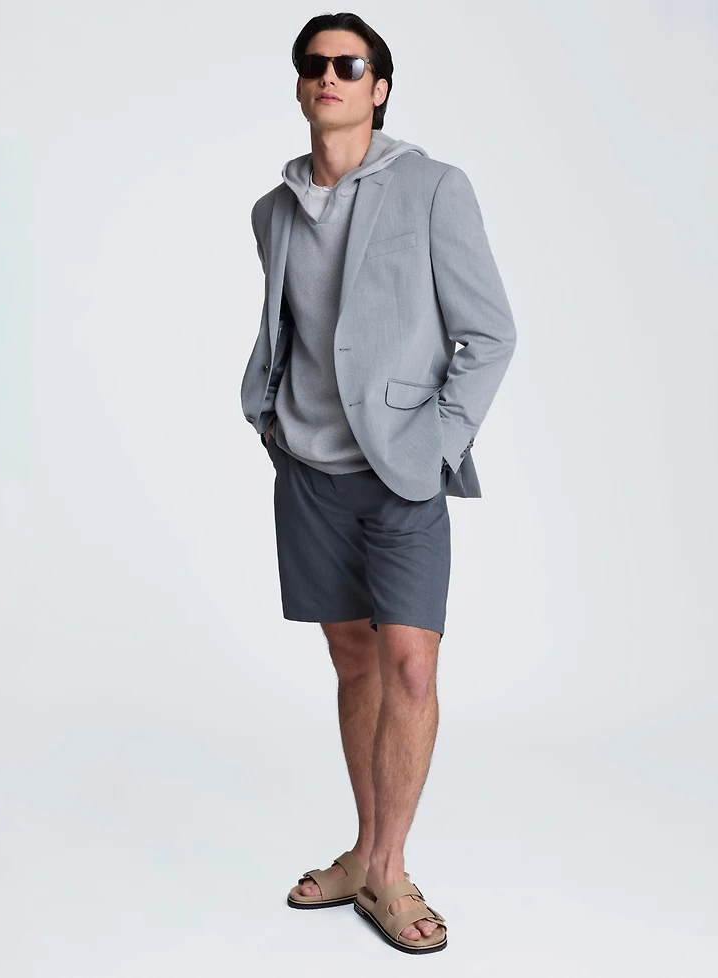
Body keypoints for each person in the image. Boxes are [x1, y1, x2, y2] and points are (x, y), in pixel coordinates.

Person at [240, 12, 516, 954]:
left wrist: (436, 447)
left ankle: (390, 872)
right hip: (308, 470)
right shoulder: (272, 211)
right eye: (314, 64)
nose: (330, 76)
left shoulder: (434, 188)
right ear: (301, 84)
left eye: (350, 64)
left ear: (379, 87)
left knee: (411, 666)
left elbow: (490, 334)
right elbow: (288, 328)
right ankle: (363, 852)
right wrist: (269, 417)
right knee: (353, 663)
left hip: (403, 472)